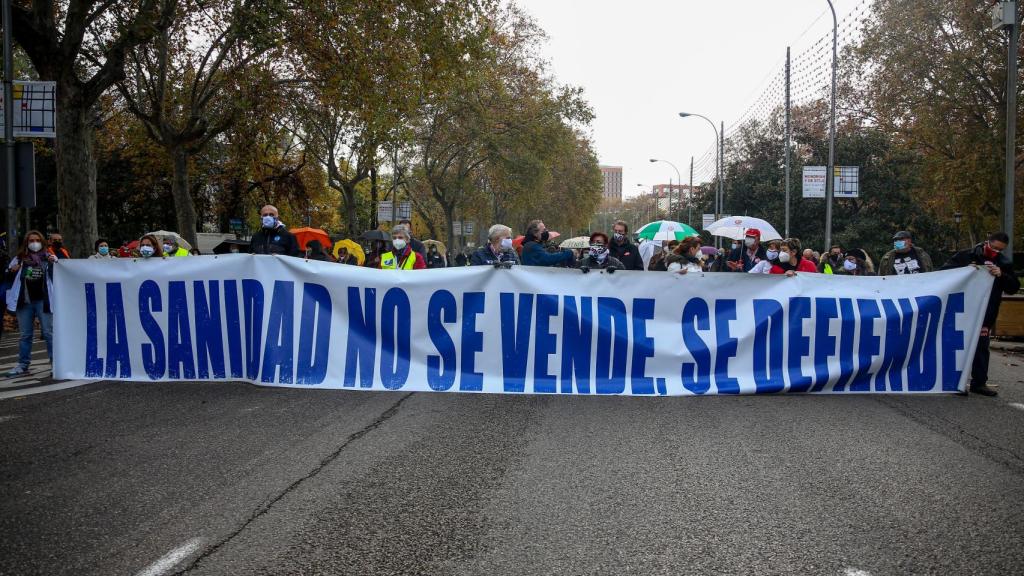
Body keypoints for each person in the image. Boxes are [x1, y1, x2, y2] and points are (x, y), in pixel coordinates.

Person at [941, 232, 1020, 396]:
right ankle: (954, 382)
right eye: (994, 247)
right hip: (961, 310)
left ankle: (979, 382)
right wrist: (964, 270)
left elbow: (1013, 288)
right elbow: (943, 273)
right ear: (987, 242)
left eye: (1000, 250)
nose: (996, 252)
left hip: (985, 312)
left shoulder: (1004, 263)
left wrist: (1001, 275)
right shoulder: (965, 256)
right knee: (957, 347)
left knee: (981, 348)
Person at [4, 230, 57, 376]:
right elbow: (7, 275)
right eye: (31, 240)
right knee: (25, 335)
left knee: (48, 333)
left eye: (37, 240)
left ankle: (56, 364)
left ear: (42, 242)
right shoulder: (20, 258)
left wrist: (54, 263)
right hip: (24, 302)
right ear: (26, 243)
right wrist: (11, 270)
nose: (34, 243)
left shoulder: (49, 257)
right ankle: (23, 364)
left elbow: (59, 273)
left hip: (43, 301)